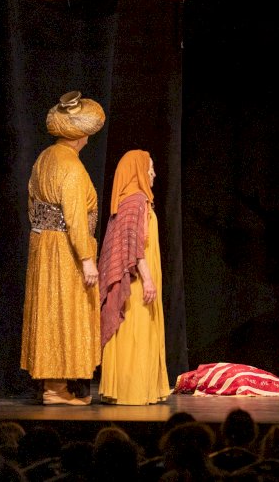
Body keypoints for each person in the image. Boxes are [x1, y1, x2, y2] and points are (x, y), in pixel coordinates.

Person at [20, 91, 105, 405]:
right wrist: (87, 258)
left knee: (49, 309)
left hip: (43, 243)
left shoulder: (45, 157)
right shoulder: (71, 167)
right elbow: (75, 216)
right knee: (63, 310)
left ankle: (54, 386)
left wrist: (43, 234)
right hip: (65, 248)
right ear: (81, 135)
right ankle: (56, 390)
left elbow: (32, 202)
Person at [98, 150, 170, 405]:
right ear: (138, 171)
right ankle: (132, 391)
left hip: (138, 277)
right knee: (136, 334)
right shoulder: (136, 200)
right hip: (137, 282)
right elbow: (133, 245)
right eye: (150, 168)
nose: (153, 173)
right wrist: (147, 279)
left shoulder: (129, 201)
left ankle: (126, 390)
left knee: (138, 334)